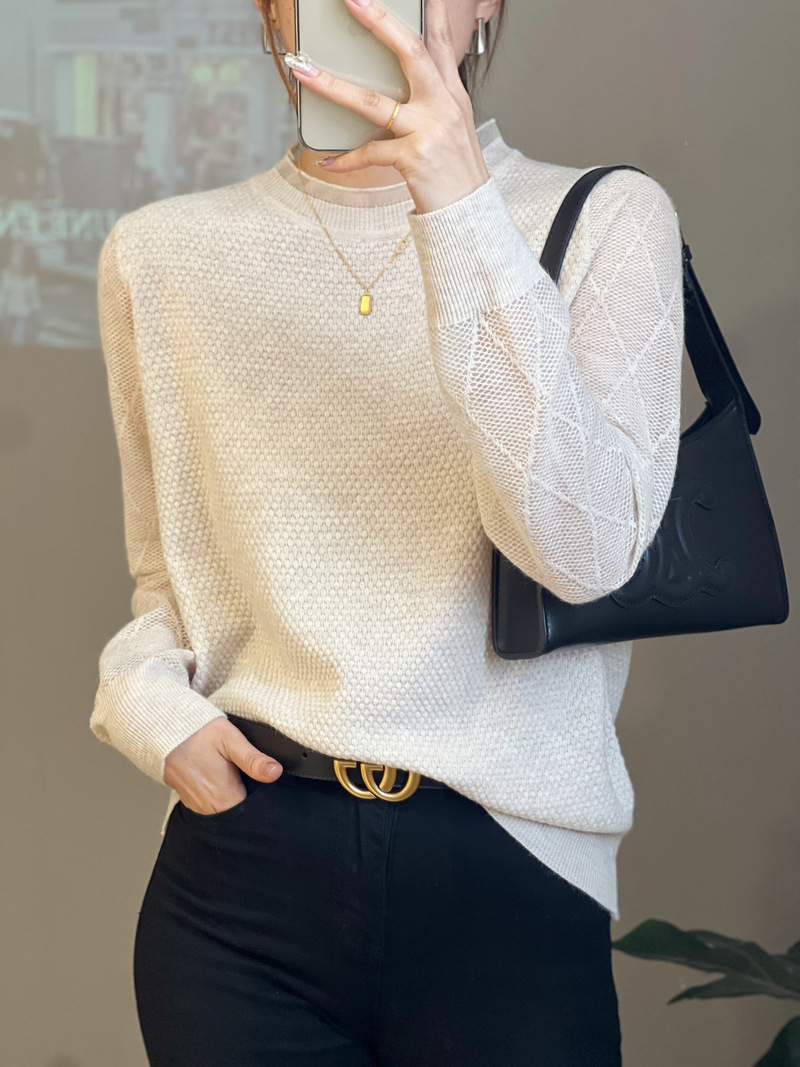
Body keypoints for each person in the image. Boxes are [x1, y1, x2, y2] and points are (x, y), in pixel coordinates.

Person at [89, 0, 684, 1063]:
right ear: (273, 9)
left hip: (511, 873)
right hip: (245, 877)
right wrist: (144, 702)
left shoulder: (605, 219)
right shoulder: (161, 253)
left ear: (486, 3)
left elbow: (585, 556)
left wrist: (459, 208)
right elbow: (167, 576)